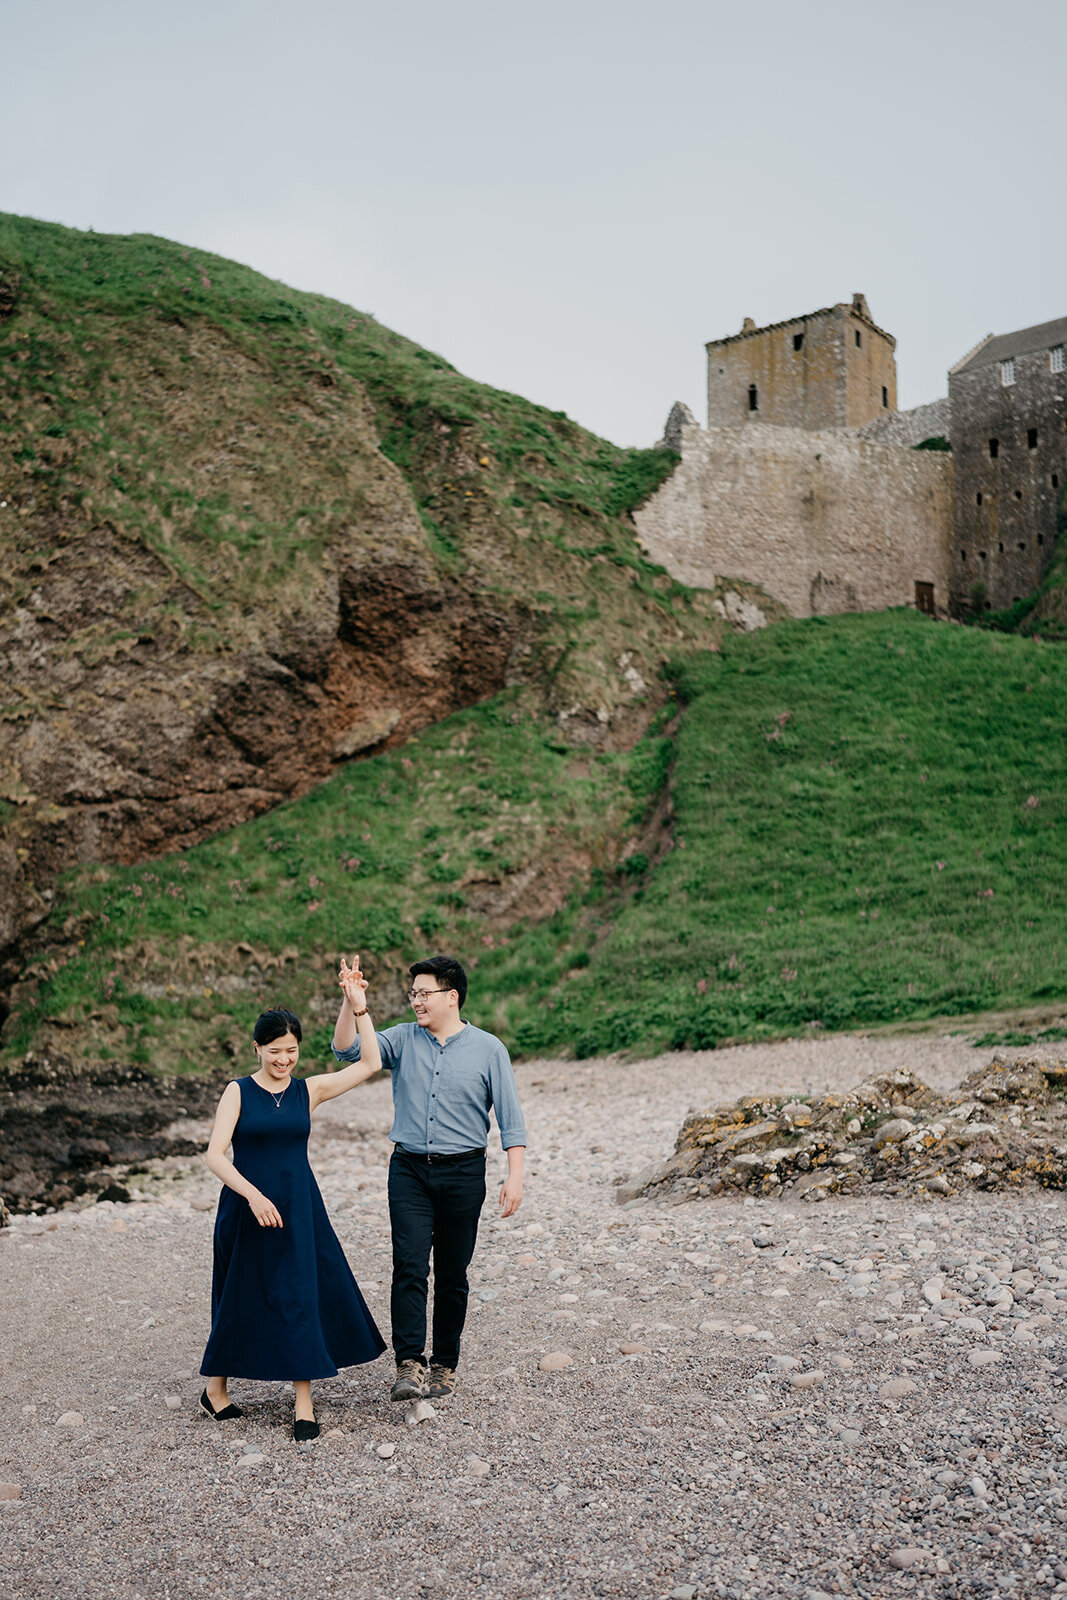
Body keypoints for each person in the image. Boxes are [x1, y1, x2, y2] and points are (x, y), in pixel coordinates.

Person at [332, 952, 526, 1403]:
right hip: (410, 1170)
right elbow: (347, 1050)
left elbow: (511, 1121)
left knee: (454, 1274)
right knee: (410, 1265)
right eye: (412, 994)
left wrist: (514, 1177)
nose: (416, 1002)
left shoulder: (489, 1049)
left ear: (451, 996)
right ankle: (409, 1362)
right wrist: (351, 1001)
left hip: (464, 1172)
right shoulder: (402, 1039)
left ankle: (445, 1364)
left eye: (424, 994)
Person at [200, 988, 386, 1442]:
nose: (284, 1060)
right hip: (247, 1209)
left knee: (300, 1295)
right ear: (257, 1049)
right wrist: (253, 1196)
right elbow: (215, 1155)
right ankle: (214, 1390)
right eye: (275, 1051)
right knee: (239, 1296)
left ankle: (304, 1403)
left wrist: (355, 1005)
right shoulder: (238, 1091)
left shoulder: (310, 1090)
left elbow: (370, 1064)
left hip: (299, 1208)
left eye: (292, 1051)